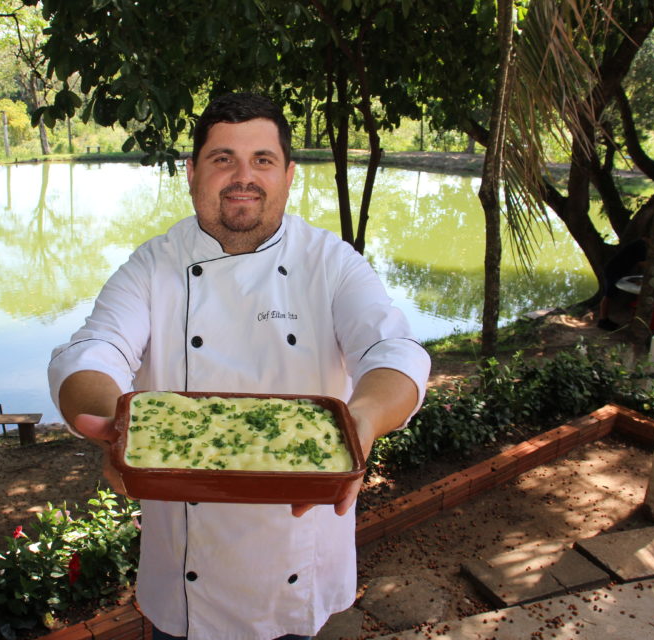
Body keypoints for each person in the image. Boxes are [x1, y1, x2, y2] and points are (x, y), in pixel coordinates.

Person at [47, 93, 431, 640]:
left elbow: (395, 352)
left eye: (263, 161)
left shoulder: (330, 261)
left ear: (290, 174)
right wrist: (120, 430)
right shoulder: (153, 265)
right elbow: (95, 351)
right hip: (186, 589)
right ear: (191, 172)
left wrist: (360, 422)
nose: (243, 178)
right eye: (222, 159)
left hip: (298, 574)